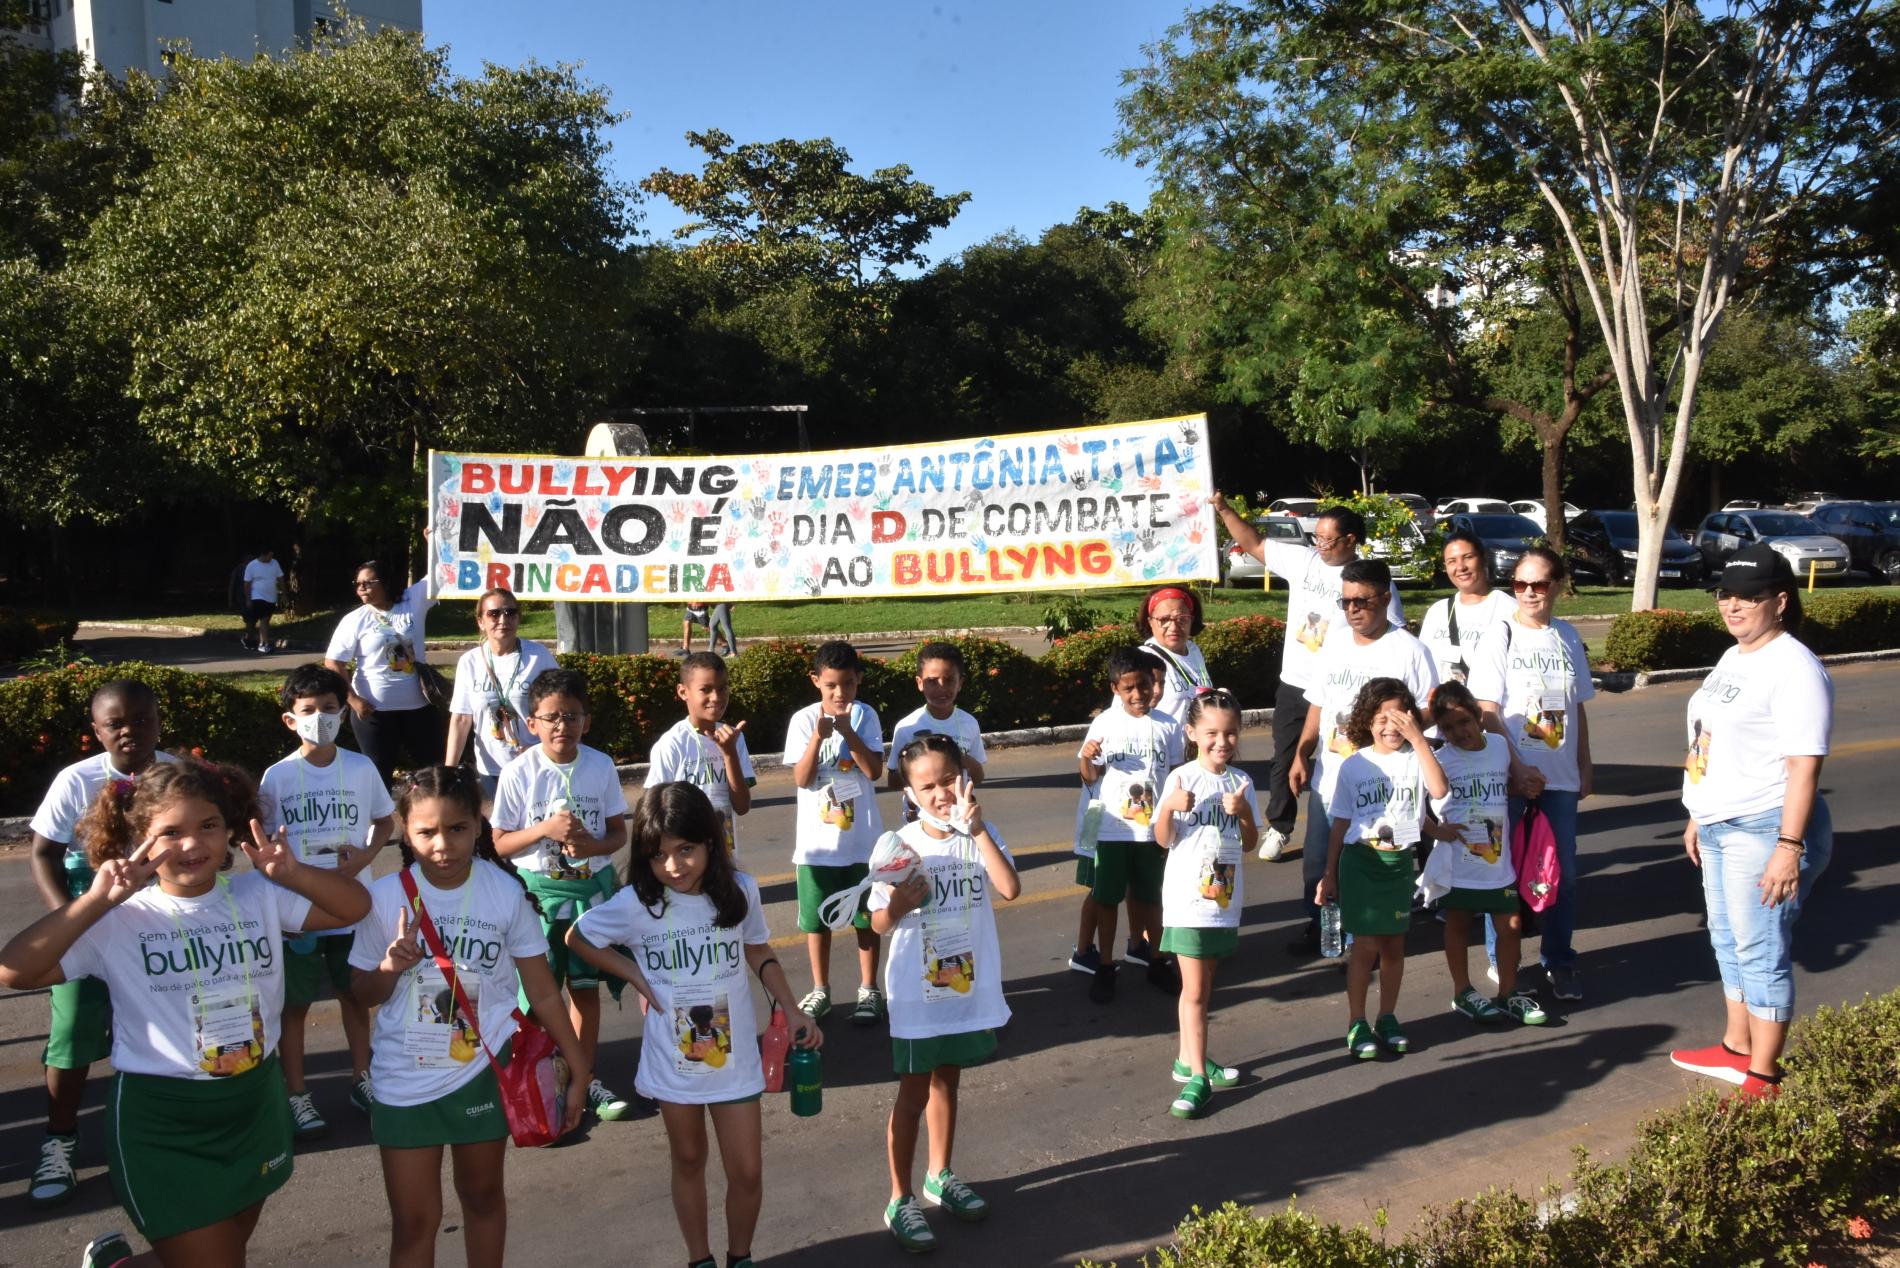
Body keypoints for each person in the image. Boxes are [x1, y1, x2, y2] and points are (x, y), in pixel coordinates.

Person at [0, 760, 369, 1268]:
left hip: (254, 1103)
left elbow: (354, 908)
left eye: (208, 827)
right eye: (170, 833)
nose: (193, 846)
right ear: (138, 839)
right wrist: (93, 902)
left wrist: (294, 872)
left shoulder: (259, 896)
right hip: (164, 1121)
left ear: (229, 828)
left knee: (225, 1250)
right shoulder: (119, 921)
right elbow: (14, 971)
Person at [567, 783, 820, 1268]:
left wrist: (792, 1008)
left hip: (734, 1060)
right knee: (688, 1161)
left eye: (686, 850)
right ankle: (699, 1259)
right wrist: (636, 977)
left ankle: (739, 1257)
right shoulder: (638, 903)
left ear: (710, 841)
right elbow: (578, 936)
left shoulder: (739, 891)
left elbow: (758, 949)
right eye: (659, 856)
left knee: (746, 1171)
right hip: (673, 1063)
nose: (674, 866)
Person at [350, 765, 589, 1268]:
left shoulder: (504, 893)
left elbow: (544, 994)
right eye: (426, 832)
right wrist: (390, 965)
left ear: (478, 827)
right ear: (404, 830)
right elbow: (361, 993)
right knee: (414, 1221)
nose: (442, 844)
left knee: (482, 1199)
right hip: (403, 1080)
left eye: (457, 828)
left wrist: (580, 1067)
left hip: (482, 1073)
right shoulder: (383, 897)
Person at [1668, 545, 1833, 1100]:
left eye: (1750, 596)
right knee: (1727, 940)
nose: (1733, 605)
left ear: (1780, 601)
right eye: (1726, 594)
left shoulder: (1795, 667)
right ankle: (1736, 1047)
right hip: (1717, 822)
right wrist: (1696, 812)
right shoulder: (1735, 656)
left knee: (1760, 948)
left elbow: (1804, 767)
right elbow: (1706, 739)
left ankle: (1763, 1075)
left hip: (1762, 826)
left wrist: (1789, 846)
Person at [23, 681, 176, 1210]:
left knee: (164, 1032)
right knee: (72, 1033)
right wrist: (67, 920)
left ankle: (159, 1139)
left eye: (140, 719)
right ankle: (59, 1140)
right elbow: (43, 853)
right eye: (115, 723)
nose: (129, 730)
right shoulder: (77, 780)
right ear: (97, 731)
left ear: (159, 721)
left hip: (159, 931)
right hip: (89, 929)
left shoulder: (178, 776)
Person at [872, 736, 1020, 1253]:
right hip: (917, 995)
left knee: (946, 1083)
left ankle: (940, 1174)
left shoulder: (980, 833)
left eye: (947, 780)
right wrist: (898, 907)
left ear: (966, 778)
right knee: (912, 1095)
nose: (940, 793)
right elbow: (875, 921)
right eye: (927, 785)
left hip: (962, 987)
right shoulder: (899, 845)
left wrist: (977, 829)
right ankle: (900, 1197)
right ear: (910, 793)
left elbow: (1009, 888)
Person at [1213, 498, 1405, 863]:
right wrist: (1223, 509)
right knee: (1286, 757)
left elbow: (1392, 633)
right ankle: (1280, 826)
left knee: (1352, 757)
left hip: (1346, 690)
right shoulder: (1304, 561)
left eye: (1327, 540)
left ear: (1350, 540)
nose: (1319, 545)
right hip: (1298, 682)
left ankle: (1364, 823)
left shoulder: (1371, 583)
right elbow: (1253, 543)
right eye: (1315, 537)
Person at [257, 664, 397, 1139]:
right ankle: (296, 1094)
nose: (320, 717)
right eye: (309, 711)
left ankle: (363, 1078)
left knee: (355, 994)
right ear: (290, 719)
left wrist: (366, 855)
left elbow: (385, 822)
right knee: (292, 1006)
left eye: (330, 709)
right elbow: (262, 844)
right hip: (295, 910)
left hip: (352, 904)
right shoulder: (276, 776)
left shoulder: (361, 767)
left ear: (344, 713)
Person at [489, 668, 634, 1123]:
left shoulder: (601, 765)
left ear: (586, 722)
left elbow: (616, 834)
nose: (562, 727)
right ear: (530, 723)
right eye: (550, 717)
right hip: (539, 900)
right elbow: (498, 843)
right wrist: (544, 831)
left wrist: (593, 846)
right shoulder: (518, 772)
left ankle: (583, 1075)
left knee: (584, 993)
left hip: (591, 898)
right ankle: (538, 1075)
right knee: (538, 995)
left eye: (572, 716)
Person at [1288, 559, 1438, 954]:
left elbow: (1427, 712)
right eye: (1346, 601)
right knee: (1320, 860)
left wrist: (1397, 737)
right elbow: (1319, 704)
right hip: (1332, 774)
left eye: (1362, 601)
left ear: (1386, 598)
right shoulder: (1335, 643)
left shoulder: (1410, 651)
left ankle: (1363, 939)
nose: (1352, 609)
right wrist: (1303, 752)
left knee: (1368, 860)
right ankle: (1323, 926)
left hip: (1382, 783)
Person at [1466, 547, 1595, 1001]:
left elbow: (1577, 706)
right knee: (1503, 872)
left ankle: (1559, 961)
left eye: (1538, 584)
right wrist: (1517, 769)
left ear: (1556, 585)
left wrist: (1584, 762)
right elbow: (1486, 710)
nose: (1528, 593)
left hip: (1559, 779)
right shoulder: (1499, 636)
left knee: (1563, 875)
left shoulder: (1568, 636)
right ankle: (1502, 959)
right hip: (1510, 777)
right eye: (1519, 584)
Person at [1318, 678, 1449, 1059]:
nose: (1390, 727)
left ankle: (1387, 1016)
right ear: (1367, 721)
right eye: (1380, 718)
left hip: (1398, 866)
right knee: (1365, 947)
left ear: (1411, 718)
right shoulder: (1354, 766)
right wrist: (1328, 874)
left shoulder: (1418, 758)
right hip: (1362, 864)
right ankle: (1356, 1022)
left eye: (1398, 717)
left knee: (1394, 946)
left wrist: (1421, 740)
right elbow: (1340, 823)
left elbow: (1436, 794)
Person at [1154, 690, 1259, 1119]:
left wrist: (1245, 816)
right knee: (1194, 990)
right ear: (1192, 732)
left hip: (1223, 900)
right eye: (1212, 732)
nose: (1222, 741)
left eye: (1230, 733)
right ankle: (1198, 1077)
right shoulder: (1181, 778)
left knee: (1206, 983)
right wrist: (1170, 810)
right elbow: (1163, 839)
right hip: (1186, 901)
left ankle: (1187, 1058)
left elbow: (1250, 843)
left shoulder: (1242, 783)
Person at [1425, 683, 1547, 1026]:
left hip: (1497, 860)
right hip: (1459, 861)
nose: (1457, 733)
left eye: (1463, 722)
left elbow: (1503, 784)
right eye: (1447, 728)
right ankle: (1462, 991)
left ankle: (1508, 992)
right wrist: (1435, 831)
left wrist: (1526, 785)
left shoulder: (1498, 746)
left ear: (1479, 717)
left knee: (1510, 925)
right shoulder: (1440, 759)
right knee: (1458, 924)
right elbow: (1408, 804)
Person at [785, 640, 888, 1025]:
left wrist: (848, 732)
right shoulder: (802, 720)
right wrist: (818, 736)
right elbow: (801, 777)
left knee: (865, 918)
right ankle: (821, 989)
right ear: (816, 682)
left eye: (847, 684)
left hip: (860, 844)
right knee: (816, 922)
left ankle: (868, 989)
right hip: (815, 848)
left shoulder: (866, 716)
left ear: (858, 680)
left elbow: (874, 771)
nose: (840, 693)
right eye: (831, 685)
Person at [1073, 646, 1183, 1001]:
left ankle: (1157, 959)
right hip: (1111, 829)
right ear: (1115, 689)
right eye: (1128, 688)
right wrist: (1088, 759)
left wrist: (1173, 820)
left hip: (1152, 831)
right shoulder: (1105, 723)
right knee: (1107, 898)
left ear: (1154, 682)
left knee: (1150, 898)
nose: (1138, 695)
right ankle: (1105, 965)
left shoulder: (1169, 726)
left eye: (1144, 685)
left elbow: (1178, 775)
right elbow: (1089, 777)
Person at [324, 558, 441, 785]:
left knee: (432, 773)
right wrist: (353, 699)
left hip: (419, 708)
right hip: (374, 714)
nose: (361, 587)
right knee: (378, 777)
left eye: (368, 582)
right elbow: (334, 662)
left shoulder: (412, 601)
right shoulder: (354, 620)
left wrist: (435, 541)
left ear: (386, 582)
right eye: (358, 583)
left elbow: (440, 573)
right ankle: (380, 821)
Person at [445, 588, 557, 801]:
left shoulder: (538, 655)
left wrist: (545, 748)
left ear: (518, 618)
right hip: (493, 769)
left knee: (536, 827)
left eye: (510, 612)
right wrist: (449, 771)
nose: (503, 619)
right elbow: (461, 719)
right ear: (481, 621)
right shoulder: (470, 662)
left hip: (535, 762)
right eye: (494, 614)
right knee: (505, 830)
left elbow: (560, 706)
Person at [644, 652, 755, 853]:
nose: (716, 697)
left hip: (724, 856)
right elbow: (653, 810)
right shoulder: (672, 743)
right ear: (683, 691)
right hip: (684, 859)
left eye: (723, 689)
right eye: (705, 690)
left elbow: (742, 806)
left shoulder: (734, 739)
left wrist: (729, 754)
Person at [887, 642, 988, 817]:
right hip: (921, 819)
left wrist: (955, 754)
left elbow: (978, 776)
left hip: (961, 816)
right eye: (932, 681)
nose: (941, 687)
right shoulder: (907, 727)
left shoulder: (969, 723)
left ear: (960, 682)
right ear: (920, 683)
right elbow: (893, 781)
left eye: (949, 680)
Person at [1417, 531, 1516, 686]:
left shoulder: (1510, 609)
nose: (1461, 567)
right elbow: (1423, 668)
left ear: (1483, 559)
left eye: (1468, 557)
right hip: (1441, 707)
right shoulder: (1437, 612)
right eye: (1452, 561)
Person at [1136, 586, 1212, 724]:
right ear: (1150, 622)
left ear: (1192, 620)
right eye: (1164, 619)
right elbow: (1123, 713)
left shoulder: (1194, 651)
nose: (1173, 627)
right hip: (1163, 744)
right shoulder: (1142, 659)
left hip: (1196, 744)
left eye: (1182, 619)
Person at [240, 548, 286, 654]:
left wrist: (284, 593)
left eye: (272, 555)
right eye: (269, 555)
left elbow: (280, 578)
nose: (271, 557)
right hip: (257, 597)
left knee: (263, 620)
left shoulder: (274, 563)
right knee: (262, 620)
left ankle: (250, 639)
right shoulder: (252, 565)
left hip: (271, 597)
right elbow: (247, 583)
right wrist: (248, 599)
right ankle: (264, 643)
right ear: (263, 555)